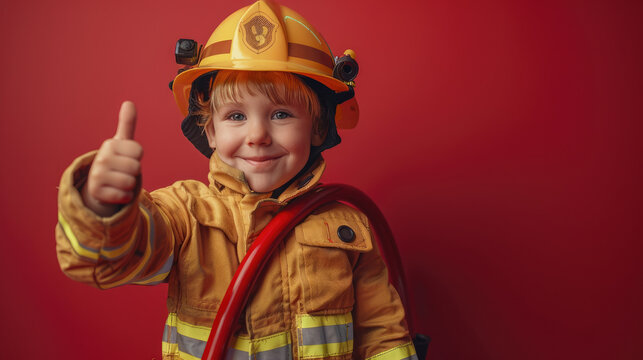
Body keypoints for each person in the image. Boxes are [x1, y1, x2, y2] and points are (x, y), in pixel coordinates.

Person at [56, 1, 418, 359]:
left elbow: (382, 335)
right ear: (209, 130)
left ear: (318, 127)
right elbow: (113, 257)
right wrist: (104, 206)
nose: (257, 134)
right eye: (235, 116)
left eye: (280, 113)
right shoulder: (187, 215)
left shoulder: (348, 229)